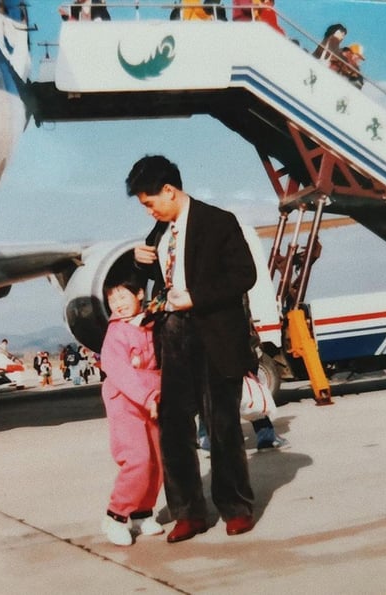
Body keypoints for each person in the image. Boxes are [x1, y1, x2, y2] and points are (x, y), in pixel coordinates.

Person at [127, 155, 257, 543]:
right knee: (172, 427)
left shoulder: (219, 222)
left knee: (222, 425)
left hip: (214, 334)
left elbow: (243, 275)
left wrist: (196, 297)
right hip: (172, 336)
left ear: (169, 190)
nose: (149, 211)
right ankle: (188, 512)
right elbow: (158, 280)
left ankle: (235, 507)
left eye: (150, 202)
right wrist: (141, 264)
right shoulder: (158, 233)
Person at [98, 274, 164, 546]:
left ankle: (142, 513)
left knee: (156, 461)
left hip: (152, 401)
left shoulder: (150, 325)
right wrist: (146, 396)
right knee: (137, 458)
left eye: (123, 296)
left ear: (139, 294)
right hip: (125, 402)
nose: (118, 304)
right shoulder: (116, 332)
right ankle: (115, 516)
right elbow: (119, 371)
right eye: (112, 299)